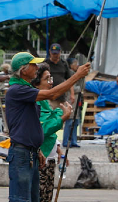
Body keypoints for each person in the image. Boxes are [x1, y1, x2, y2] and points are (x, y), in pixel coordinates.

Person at [5, 51, 91, 202]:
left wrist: (36, 149)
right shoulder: (18, 90)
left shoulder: (25, 90)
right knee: (21, 199)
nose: (37, 67)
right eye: (34, 65)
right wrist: (77, 76)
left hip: (30, 153)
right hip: (22, 155)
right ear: (24, 70)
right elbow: (52, 94)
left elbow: (31, 125)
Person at [32, 64, 74, 202]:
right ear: (37, 83)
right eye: (47, 79)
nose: (51, 83)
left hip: (49, 158)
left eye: (51, 79)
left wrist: (57, 149)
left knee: (47, 196)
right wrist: (62, 117)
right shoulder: (36, 102)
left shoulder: (44, 102)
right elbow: (43, 130)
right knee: (41, 196)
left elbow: (50, 132)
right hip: (41, 160)